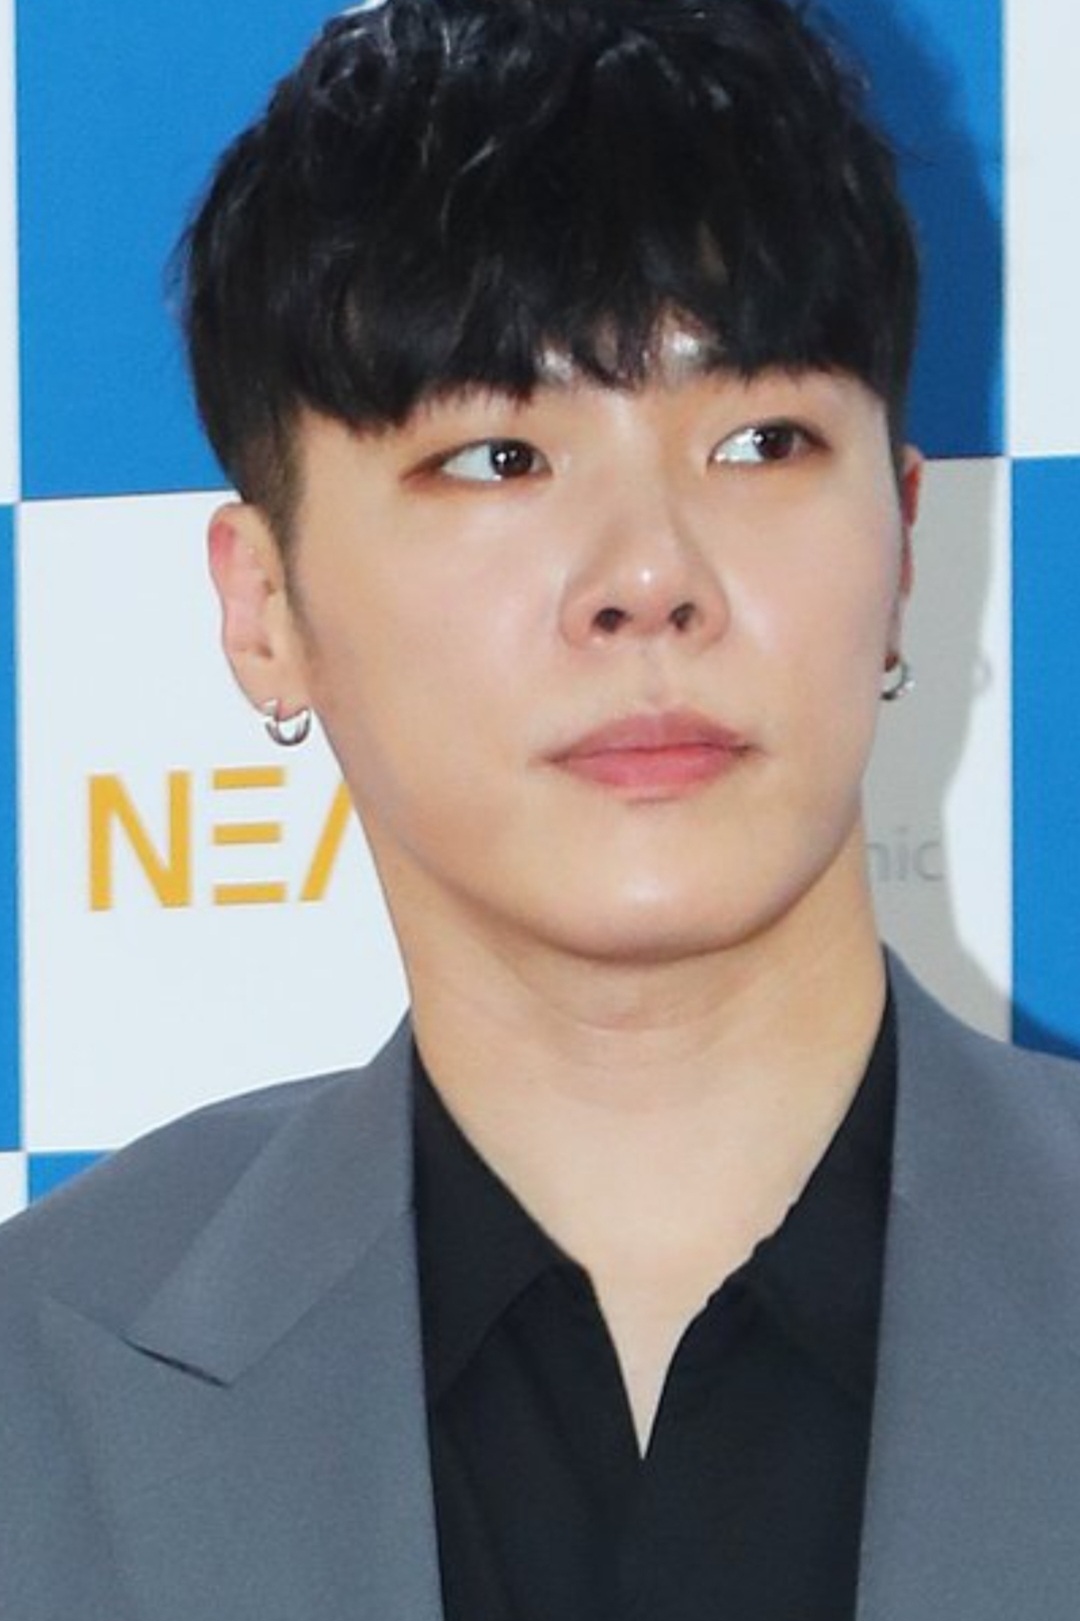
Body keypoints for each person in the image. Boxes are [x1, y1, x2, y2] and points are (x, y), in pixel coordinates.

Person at [2, 0, 1080, 1616]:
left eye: (761, 440)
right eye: (499, 457)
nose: (649, 576)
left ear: (906, 539)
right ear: (264, 604)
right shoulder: (40, 1397)